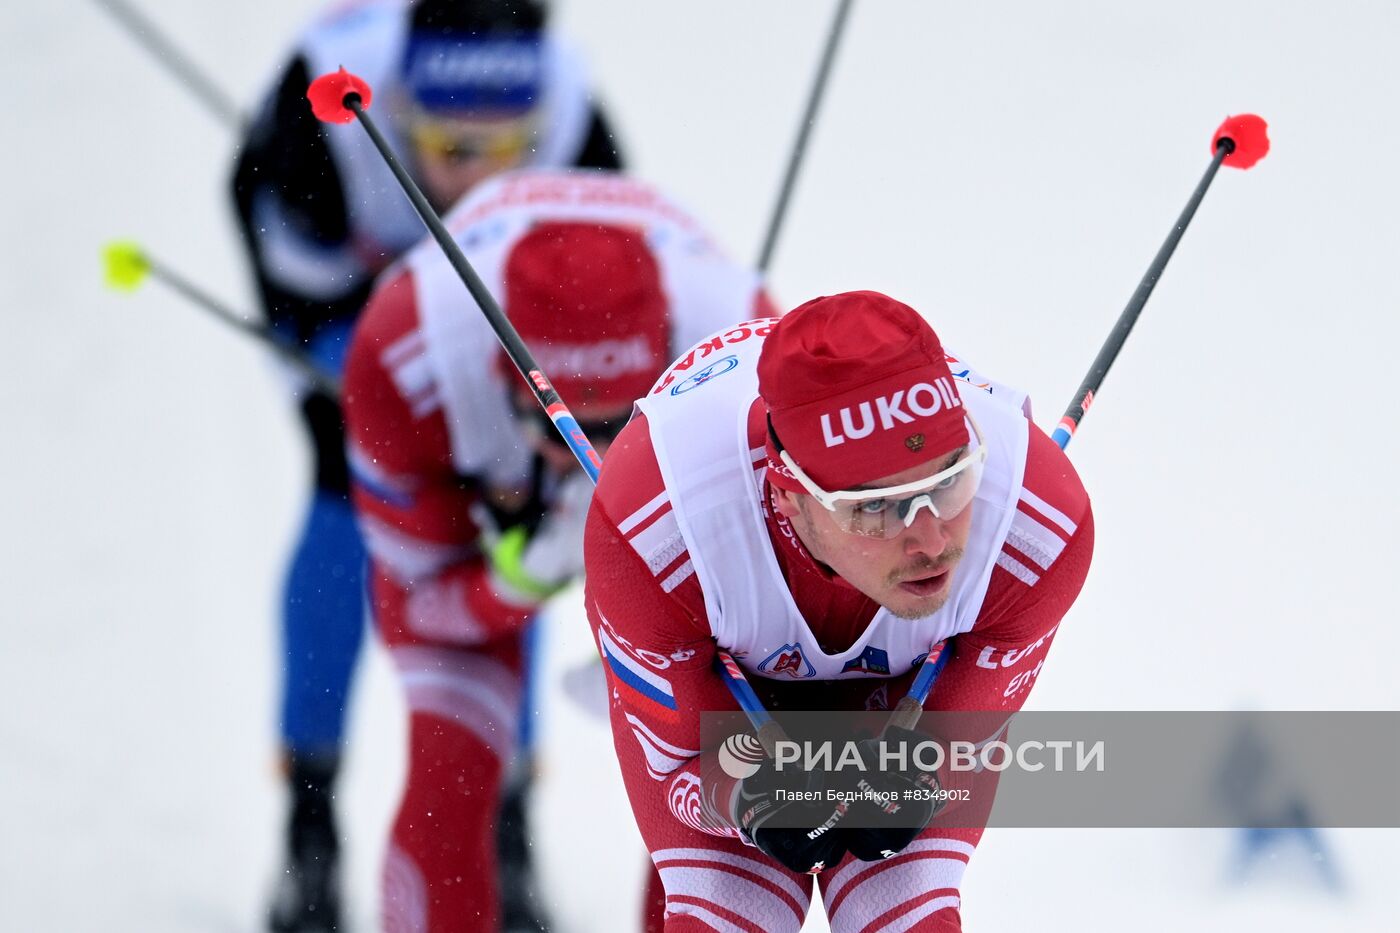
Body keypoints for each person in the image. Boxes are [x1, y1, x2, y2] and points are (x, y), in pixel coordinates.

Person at [228, 1, 624, 928]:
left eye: (507, 146)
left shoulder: (573, 111)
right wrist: (346, 361)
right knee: (341, 514)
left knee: (510, 546)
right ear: (403, 112)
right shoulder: (318, 115)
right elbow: (280, 257)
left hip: (502, 346)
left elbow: (613, 271)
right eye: (448, 145)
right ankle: (310, 826)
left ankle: (505, 826)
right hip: (355, 323)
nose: (476, 172)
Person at [342, 168, 778, 932]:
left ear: (667, 374)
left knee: (730, 769)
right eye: (559, 426)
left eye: (619, 424)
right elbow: (422, 607)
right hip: (485, 495)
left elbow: (774, 610)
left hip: (694, 506)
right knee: (452, 757)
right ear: (501, 379)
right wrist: (519, 574)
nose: (587, 456)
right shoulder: (405, 357)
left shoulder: (748, 364)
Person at [583, 291, 1095, 931]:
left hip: (905, 696)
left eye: (950, 481)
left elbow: (960, 744)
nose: (932, 540)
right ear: (790, 497)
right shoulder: (654, 536)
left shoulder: (1034, 529)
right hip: (727, 695)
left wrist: (928, 771)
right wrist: (744, 796)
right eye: (877, 508)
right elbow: (681, 770)